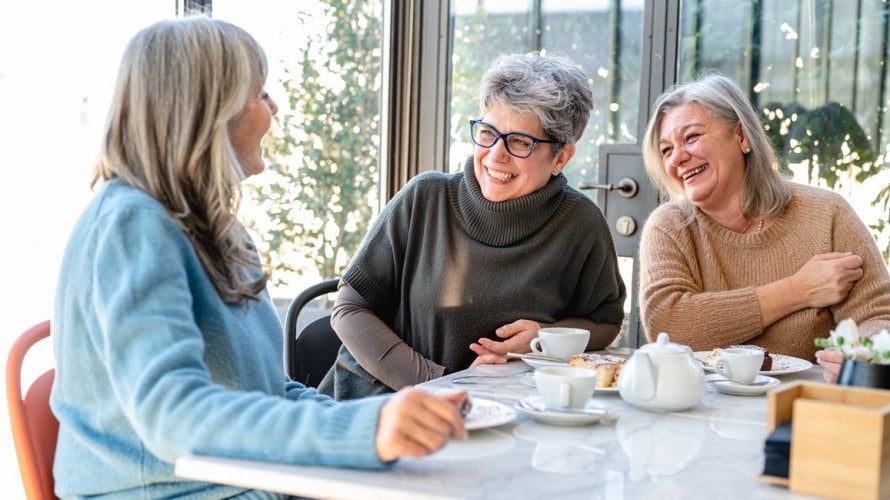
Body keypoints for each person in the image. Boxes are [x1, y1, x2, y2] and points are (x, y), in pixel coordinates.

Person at [50, 16, 467, 499]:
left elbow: (270, 391)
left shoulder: (221, 233)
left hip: (241, 482)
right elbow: (171, 415)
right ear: (208, 111)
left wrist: (383, 420)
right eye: (260, 93)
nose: (274, 108)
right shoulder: (132, 226)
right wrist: (363, 432)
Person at [319, 52, 627, 400]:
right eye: (488, 132)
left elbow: (604, 322)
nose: (496, 155)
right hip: (381, 405)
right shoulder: (426, 197)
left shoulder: (579, 223)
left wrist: (545, 336)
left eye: (520, 142)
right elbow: (349, 308)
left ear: (561, 157)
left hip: (505, 414)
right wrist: (443, 383)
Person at [637, 73, 890, 383]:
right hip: (698, 407)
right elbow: (669, 325)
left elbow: (878, 316)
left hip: (801, 406)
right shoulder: (669, 227)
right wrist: (799, 289)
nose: (678, 157)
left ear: (741, 136)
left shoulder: (827, 214)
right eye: (666, 150)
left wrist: (858, 353)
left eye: (691, 137)